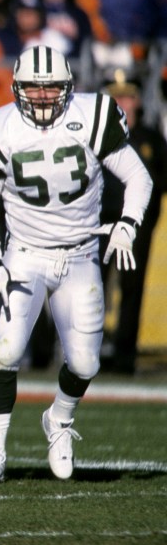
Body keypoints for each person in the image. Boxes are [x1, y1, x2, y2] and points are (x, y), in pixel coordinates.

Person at [0, 45, 153, 484]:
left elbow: (138, 176)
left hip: (82, 253)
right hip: (24, 254)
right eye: (34, 88)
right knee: (6, 351)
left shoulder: (94, 115)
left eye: (52, 88)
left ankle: (59, 420)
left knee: (86, 364)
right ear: (17, 88)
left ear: (68, 88)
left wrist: (127, 224)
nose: (44, 97)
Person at [98, 77, 167, 374]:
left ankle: (125, 355)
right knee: (91, 286)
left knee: (132, 287)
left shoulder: (150, 138)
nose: (124, 103)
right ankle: (86, 353)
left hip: (136, 225)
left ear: (137, 100)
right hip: (99, 223)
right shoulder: (97, 137)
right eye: (117, 98)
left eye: (128, 97)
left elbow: (161, 179)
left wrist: (145, 216)